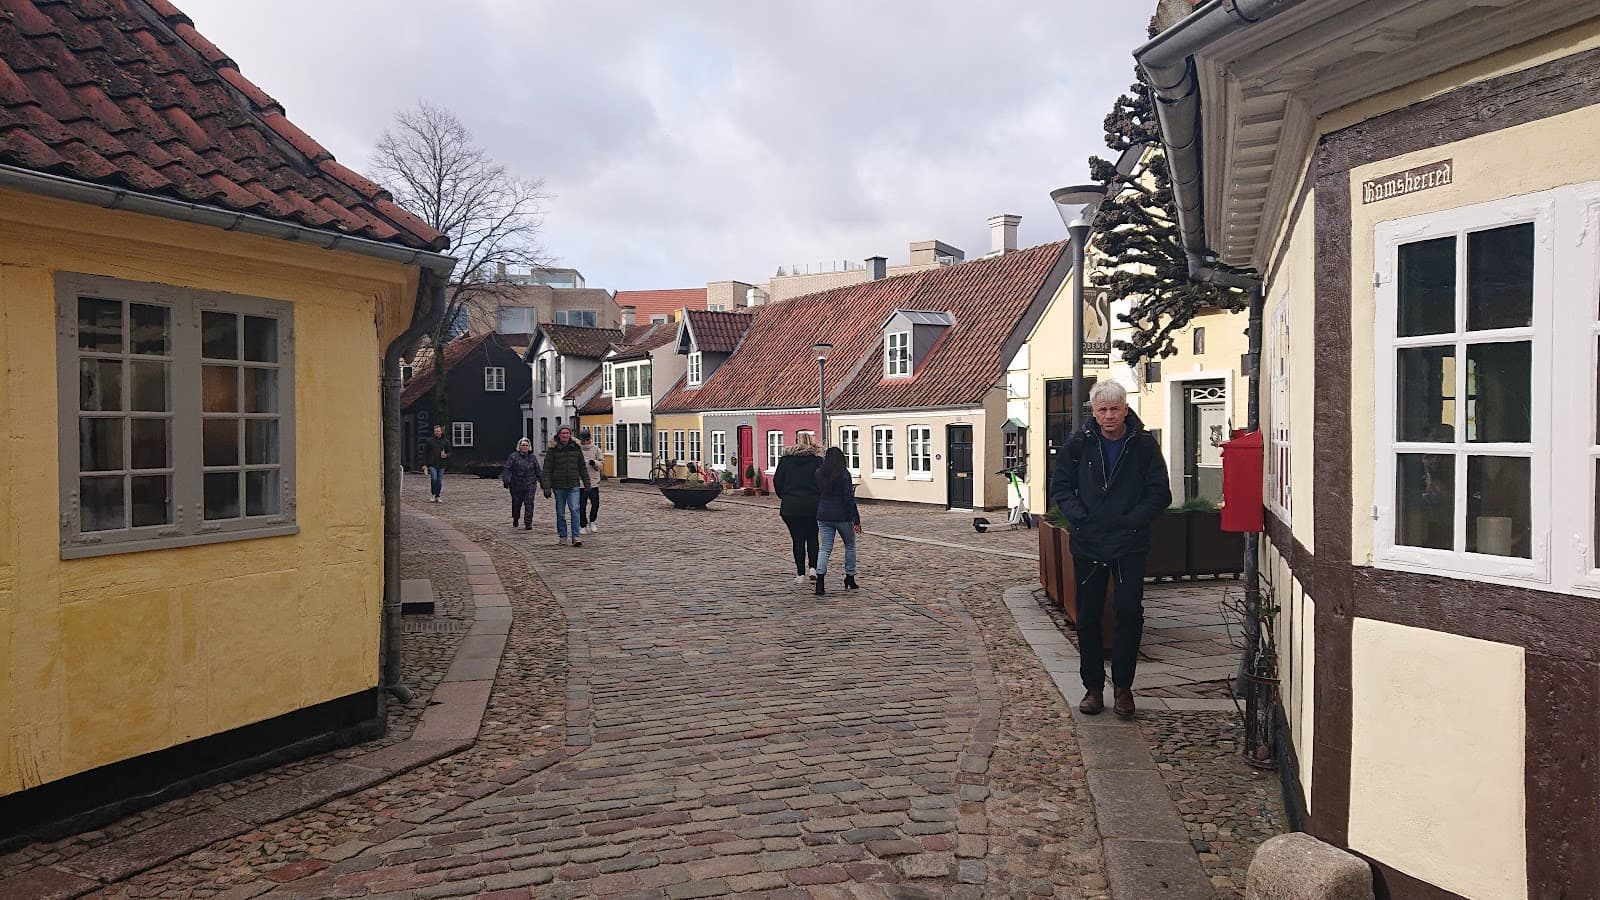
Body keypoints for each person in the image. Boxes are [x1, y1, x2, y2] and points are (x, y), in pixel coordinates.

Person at [1049, 380, 1171, 719]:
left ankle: (1123, 688)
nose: (1109, 416)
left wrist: (1133, 520)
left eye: (1115, 408)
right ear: (1094, 412)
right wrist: (1081, 518)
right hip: (1089, 543)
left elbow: (1159, 492)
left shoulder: (1143, 445)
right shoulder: (1078, 445)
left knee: (1129, 614)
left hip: (1129, 543)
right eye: (1102, 410)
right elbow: (1061, 488)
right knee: (1087, 618)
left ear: (1126, 409)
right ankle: (1092, 687)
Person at [773, 432, 823, 584]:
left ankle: (800, 574)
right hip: (813, 505)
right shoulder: (818, 461)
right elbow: (823, 482)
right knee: (813, 536)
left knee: (798, 539)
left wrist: (786, 496)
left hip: (791, 506)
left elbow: (777, 482)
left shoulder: (785, 461)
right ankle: (813, 568)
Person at [813, 446, 861, 596]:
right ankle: (850, 576)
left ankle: (820, 581)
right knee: (850, 545)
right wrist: (856, 519)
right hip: (842, 516)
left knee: (825, 548)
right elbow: (849, 498)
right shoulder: (844, 474)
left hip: (824, 514)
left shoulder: (819, 473)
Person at [541, 425, 591, 547]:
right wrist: (546, 487)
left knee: (575, 509)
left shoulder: (576, 448)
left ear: (570, 434)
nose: (565, 435)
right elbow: (547, 469)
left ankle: (576, 536)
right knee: (561, 512)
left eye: (567, 433)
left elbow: (582, 468)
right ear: (559, 435)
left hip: (573, 484)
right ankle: (563, 535)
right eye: (563, 433)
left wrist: (587, 484)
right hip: (558, 485)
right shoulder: (553, 449)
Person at [501, 438, 542, 530]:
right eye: (523, 445)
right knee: (516, 503)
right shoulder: (513, 456)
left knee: (529, 503)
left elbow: (538, 471)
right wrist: (506, 480)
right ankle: (516, 518)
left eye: (526, 445)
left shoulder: (533, 458)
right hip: (516, 483)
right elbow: (507, 469)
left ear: (529, 447)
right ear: (519, 447)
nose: (525, 447)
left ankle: (528, 522)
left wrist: (543, 482)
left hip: (530, 483)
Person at [578, 429, 604, 534]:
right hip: (580, 482)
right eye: (584, 440)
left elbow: (602, 463)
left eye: (587, 439)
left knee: (595, 503)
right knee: (581, 505)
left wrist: (595, 463)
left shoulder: (596, 449)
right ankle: (583, 524)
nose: (585, 442)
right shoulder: (577, 450)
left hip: (593, 482)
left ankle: (592, 520)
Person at [421, 423, 450, 502]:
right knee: (434, 479)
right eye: (435, 431)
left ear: (441, 431)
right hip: (432, 463)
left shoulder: (445, 441)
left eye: (438, 431)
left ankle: (438, 495)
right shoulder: (429, 441)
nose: (437, 433)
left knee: (439, 481)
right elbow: (425, 453)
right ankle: (433, 494)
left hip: (441, 464)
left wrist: (446, 455)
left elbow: (449, 452)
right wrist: (424, 464)